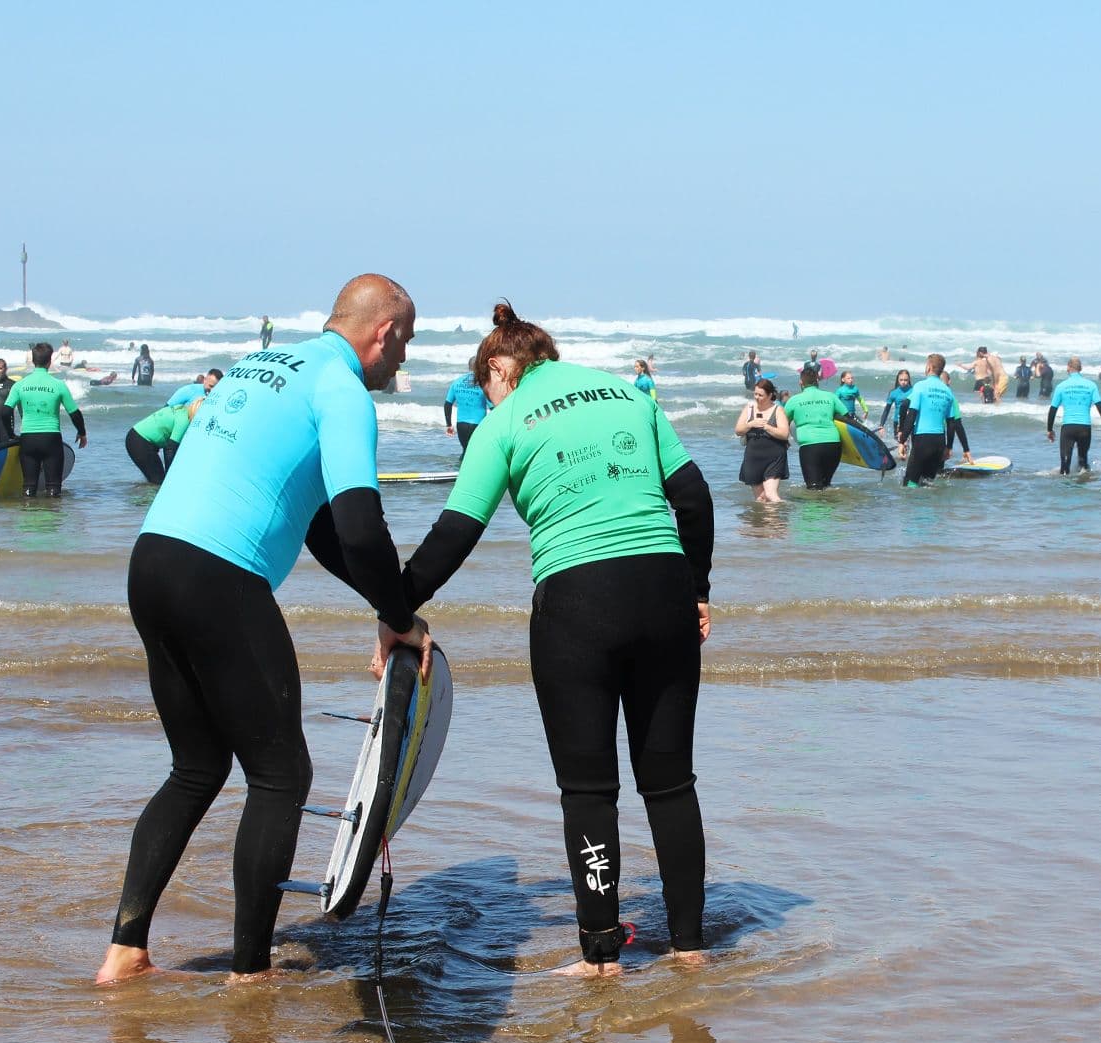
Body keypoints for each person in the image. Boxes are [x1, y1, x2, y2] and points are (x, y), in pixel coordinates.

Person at [95, 274, 424, 986]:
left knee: (197, 767)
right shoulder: (341, 391)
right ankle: (250, 971)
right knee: (282, 774)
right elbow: (360, 529)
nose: (401, 362)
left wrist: (388, 609)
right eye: (406, 344)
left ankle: (124, 951)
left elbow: (319, 530)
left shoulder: (265, 367)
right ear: (385, 333)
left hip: (152, 561)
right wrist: (401, 618)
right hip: (219, 576)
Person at [395, 301, 714, 976]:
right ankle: (689, 948)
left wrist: (395, 609)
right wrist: (698, 591)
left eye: (485, 383)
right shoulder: (628, 394)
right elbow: (693, 496)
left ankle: (602, 955)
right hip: (663, 592)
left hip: (578, 607)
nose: (485, 396)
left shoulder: (504, 421)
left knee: (589, 789)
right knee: (670, 783)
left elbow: (454, 535)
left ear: (501, 368)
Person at [5, 343, 88, 497]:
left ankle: (29, 516)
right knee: (53, 487)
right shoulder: (58, 385)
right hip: (51, 439)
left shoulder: (20, 385)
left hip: (28, 439)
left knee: (29, 486)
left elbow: (5, 411)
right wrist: (81, 433)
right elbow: (75, 413)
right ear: (50, 362)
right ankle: (52, 519)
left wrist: (10, 433)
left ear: (33, 361)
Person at [782, 364, 851, 489]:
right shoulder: (831, 396)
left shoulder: (794, 400)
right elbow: (847, 418)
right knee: (826, 485)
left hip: (810, 447)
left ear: (801, 382)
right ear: (817, 380)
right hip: (834, 445)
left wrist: (783, 442)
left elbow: (782, 423)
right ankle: (830, 507)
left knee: (813, 488)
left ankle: (815, 508)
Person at [903, 354, 967, 486]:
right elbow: (951, 423)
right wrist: (948, 447)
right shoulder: (947, 391)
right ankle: (928, 506)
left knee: (910, 483)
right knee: (928, 482)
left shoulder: (920, 386)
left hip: (922, 439)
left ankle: (910, 506)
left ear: (930, 367)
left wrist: (902, 440)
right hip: (939, 442)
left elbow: (912, 414)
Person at [1045, 356, 1101, 475]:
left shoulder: (1061, 386)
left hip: (1068, 427)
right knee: (1083, 461)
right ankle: (1083, 488)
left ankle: (1066, 489)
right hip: (1085, 428)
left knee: (1065, 464)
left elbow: (1053, 410)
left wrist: (1049, 430)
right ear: (1080, 368)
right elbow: (1100, 407)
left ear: (1068, 368)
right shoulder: (1091, 385)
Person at [125, 394, 203, 484]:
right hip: (140, 442)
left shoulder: (182, 410)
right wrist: (170, 476)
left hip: (135, 436)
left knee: (155, 480)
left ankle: (143, 493)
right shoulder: (184, 420)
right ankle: (145, 497)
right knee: (159, 482)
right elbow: (170, 449)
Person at [735, 377, 790, 503]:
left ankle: (784, 516)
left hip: (774, 456)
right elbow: (738, 430)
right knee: (761, 498)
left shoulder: (777, 410)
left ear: (770, 395)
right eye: (755, 394)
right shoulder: (749, 408)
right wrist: (751, 424)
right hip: (753, 456)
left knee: (771, 494)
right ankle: (767, 522)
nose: (757, 397)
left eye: (761, 395)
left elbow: (784, 434)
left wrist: (767, 426)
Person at [442, 371, 490, 450]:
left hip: (461, 425)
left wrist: (449, 425)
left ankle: (460, 463)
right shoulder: (483, 383)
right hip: (478, 425)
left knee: (465, 451)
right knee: (476, 451)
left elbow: (447, 404)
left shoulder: (457, 382)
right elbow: (493, 408)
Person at [878, 368, 914, 453]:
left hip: (910, 421)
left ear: (909, 380)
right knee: (900, 444)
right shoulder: (893, 393)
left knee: (907, 445)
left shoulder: (914, 391)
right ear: (898, 380)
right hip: (897, 422)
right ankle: (900, 463)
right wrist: (881, 425)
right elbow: (887, 410)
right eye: (901, 380)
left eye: (906, 380)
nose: (903, 382)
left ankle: (906, 462)